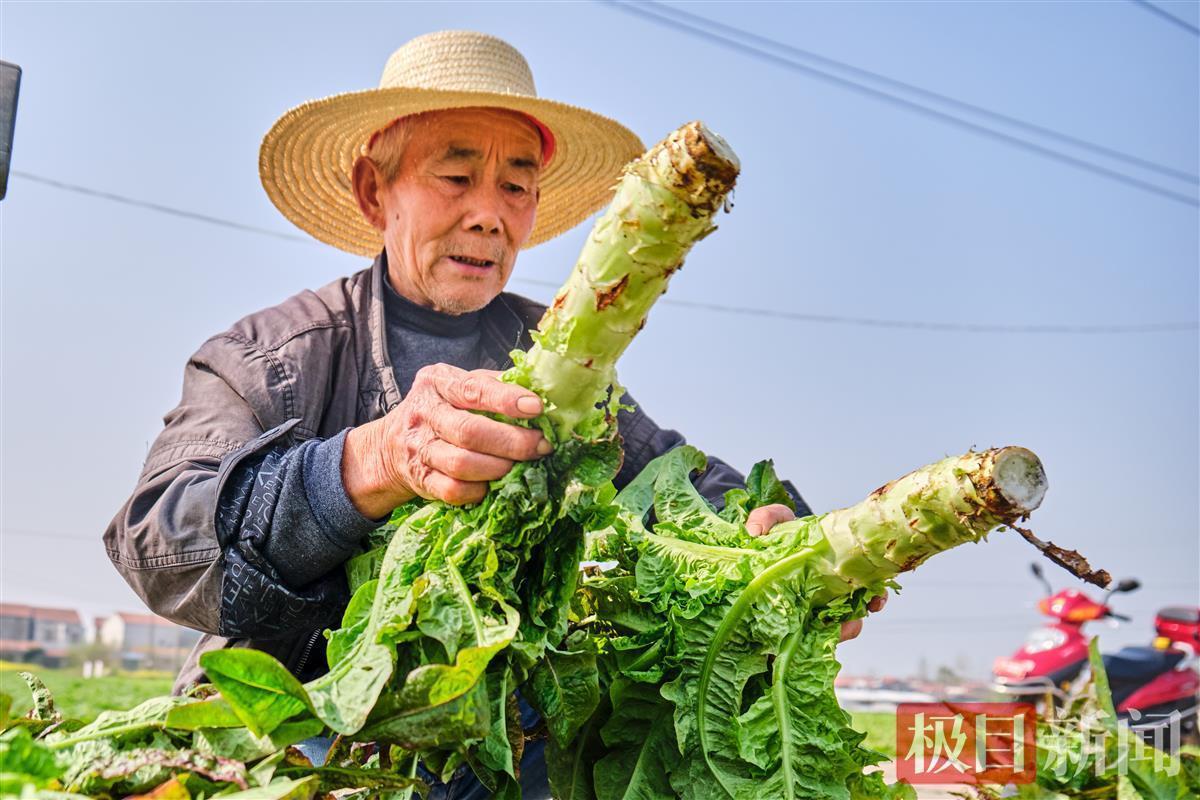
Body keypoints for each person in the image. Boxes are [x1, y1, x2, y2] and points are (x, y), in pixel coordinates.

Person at [105, 30, 882, 799]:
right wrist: (373, 461)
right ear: (375, 193)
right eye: (454, 175)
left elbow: (672, 477)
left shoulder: (557, 363)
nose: (487, 214)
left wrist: (779, 536)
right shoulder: (272, 354)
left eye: (515, 185)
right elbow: (158, 536)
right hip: (298, 746)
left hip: (502, 759)